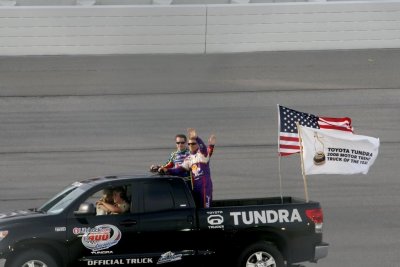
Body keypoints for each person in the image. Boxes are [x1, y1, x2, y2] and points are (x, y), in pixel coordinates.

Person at [161, 128, 216, 208]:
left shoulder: (203, 154)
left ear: (197, 145)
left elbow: (203, 147)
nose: (191, 145)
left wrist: (197, 138)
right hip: (195, 188)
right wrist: (166, 170)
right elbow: (178, 170)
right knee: (196, 209)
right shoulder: (188, 158)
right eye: (189, 144)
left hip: (205, 187)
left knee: (205, 210)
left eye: (193, 144)